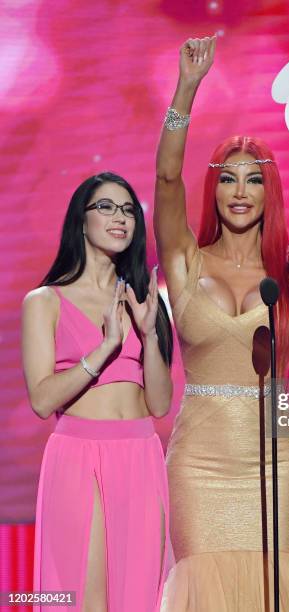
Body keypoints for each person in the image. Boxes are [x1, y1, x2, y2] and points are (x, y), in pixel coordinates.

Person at [154, 36, 289, 611]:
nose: (240, 190)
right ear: (214, 187)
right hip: (200, 460)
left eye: (253, 178)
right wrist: (187, 88)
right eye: (228, 176)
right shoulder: (184, 260)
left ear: (269, 191)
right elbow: (167, 181)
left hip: (275, 460)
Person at [22, 172, 174, 612]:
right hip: (77, 456)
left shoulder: (145, 300)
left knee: (140, 596)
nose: (120, 218)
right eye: (105, 207)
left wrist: (147, 334)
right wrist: (104, 347)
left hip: (141, 455)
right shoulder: (44, 301)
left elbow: (160, 404)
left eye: (128, 209)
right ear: (81, 220)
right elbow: (42, 399)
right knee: (83, 595)